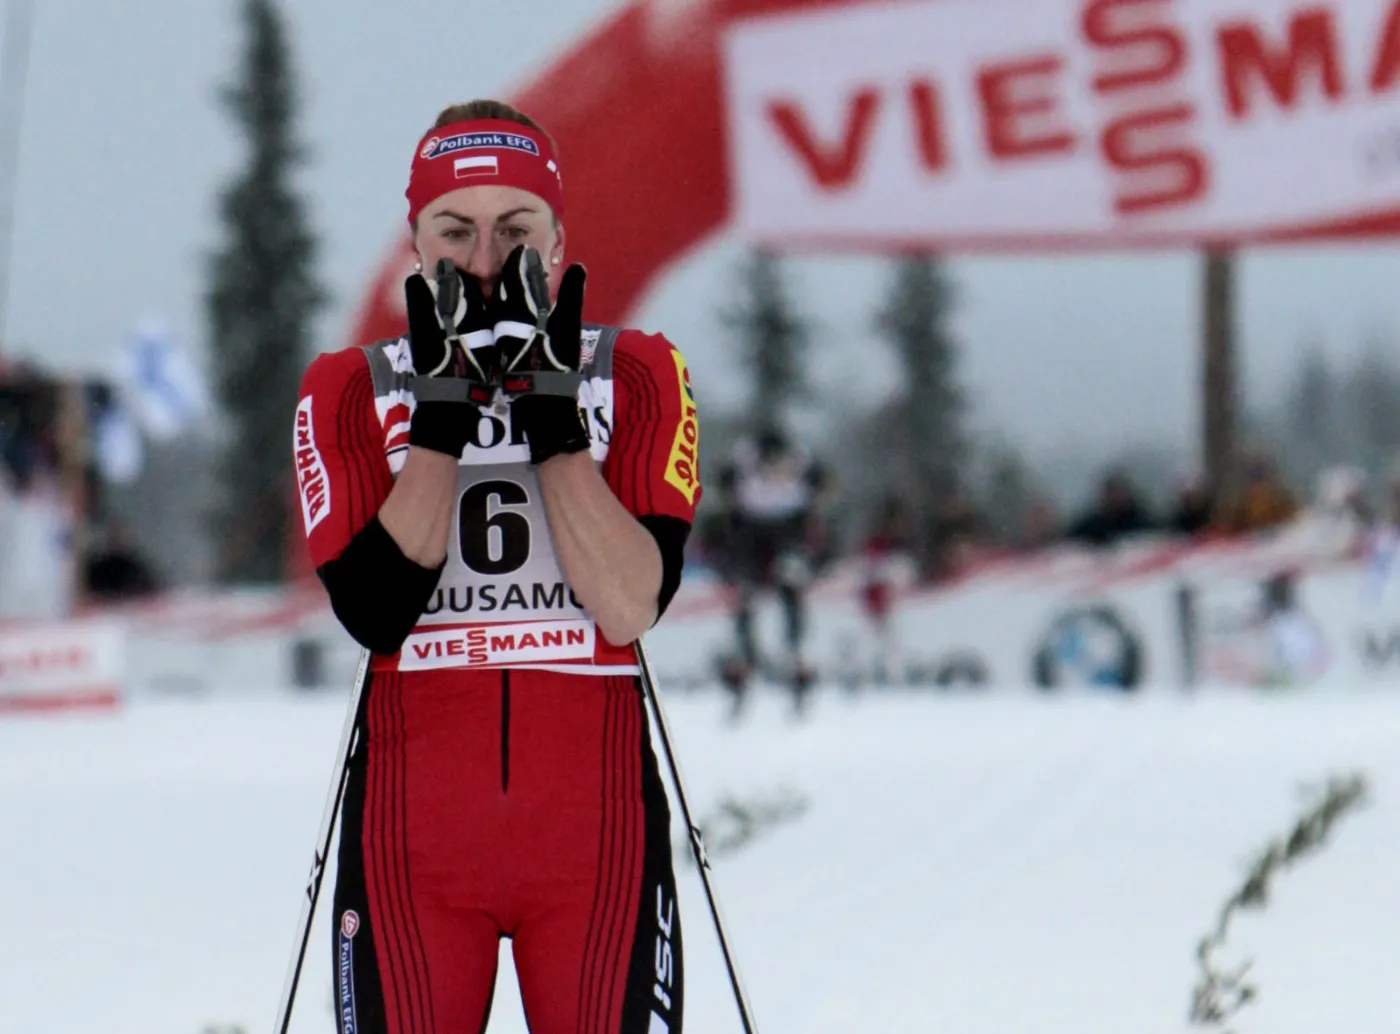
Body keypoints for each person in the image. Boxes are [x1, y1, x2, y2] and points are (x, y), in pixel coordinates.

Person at [295, 99, 698, 1034]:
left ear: (558, 240)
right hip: (415, 855)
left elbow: (630, 603)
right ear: (415, 242)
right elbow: (377, 610)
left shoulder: (636, 373)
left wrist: (555, 424)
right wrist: (438, 422)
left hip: (595, 850)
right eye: (455, 232)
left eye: (514, 230)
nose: (484, 264)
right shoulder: (348, 389)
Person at [712, 425, 830, 714]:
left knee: (790, 584)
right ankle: (745, 659)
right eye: (769, 464)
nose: (773, 471)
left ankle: (795, 653)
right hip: (751, 532)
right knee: (745, 596)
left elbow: (825, 483)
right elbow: (722, 483)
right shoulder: (745, 461)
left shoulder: (799, 462)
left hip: (787, 530)